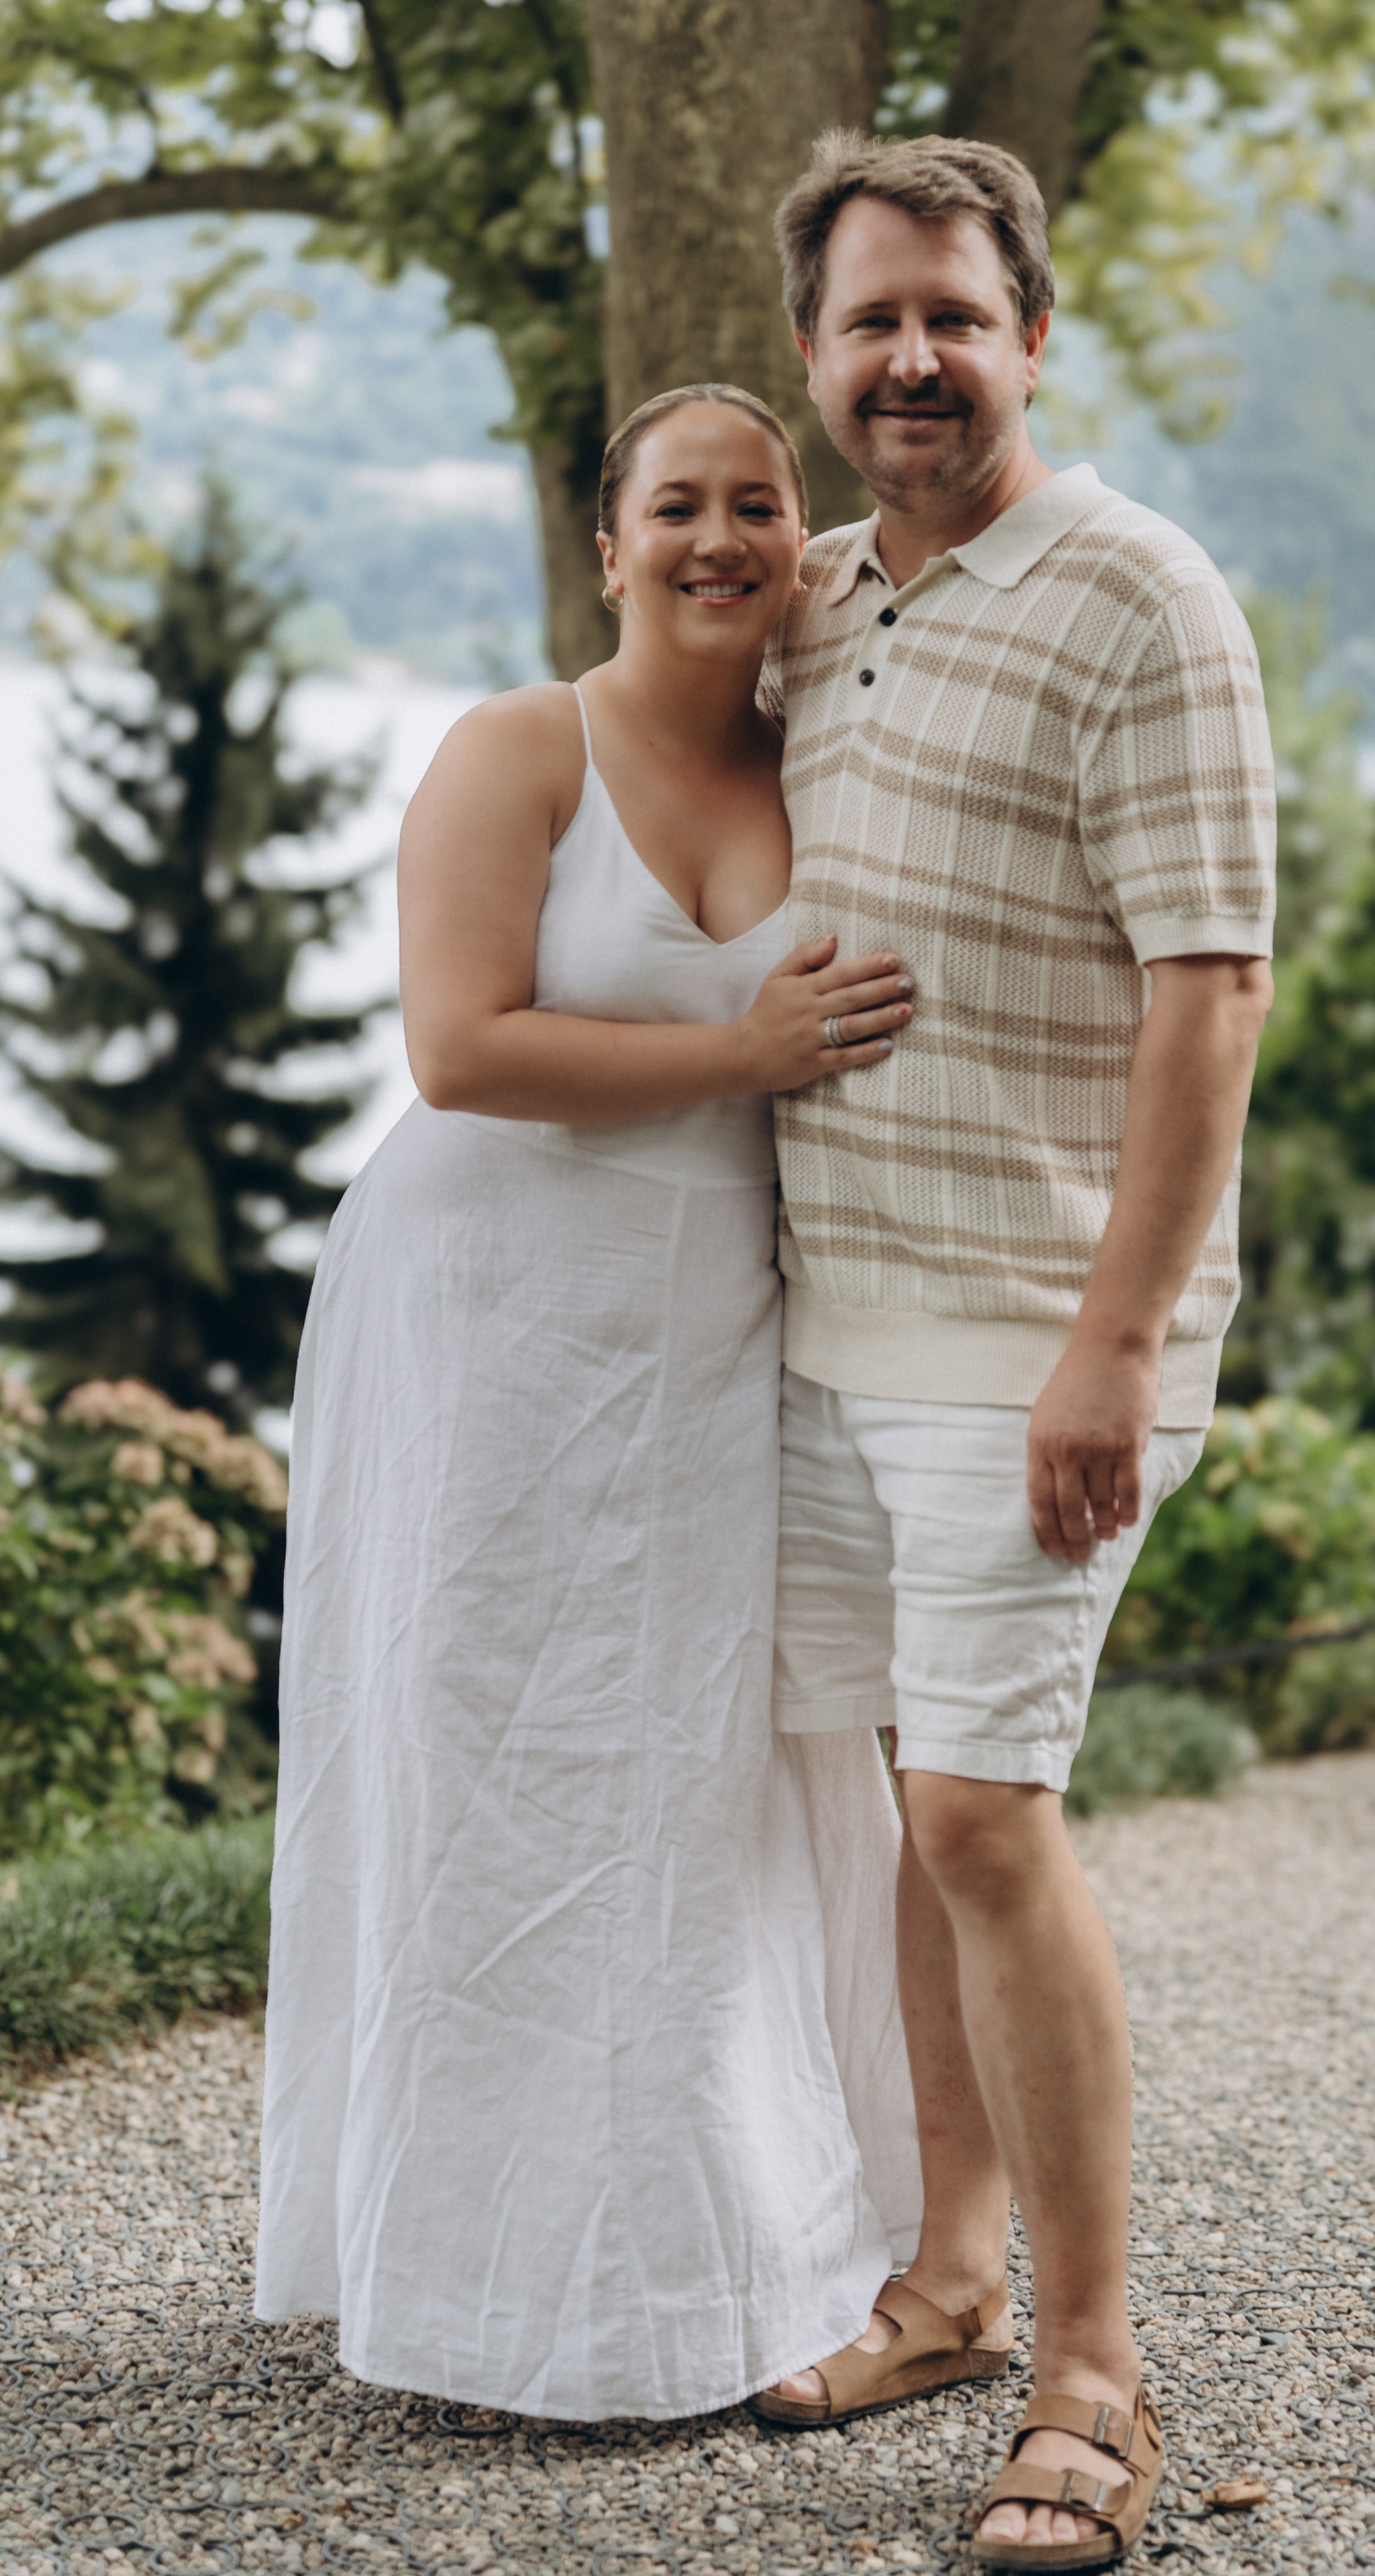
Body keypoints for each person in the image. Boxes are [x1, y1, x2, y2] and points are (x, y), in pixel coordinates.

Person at [254, 383, 924, 2424]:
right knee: (496, 1768)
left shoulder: (830, 763)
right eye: (679, 508)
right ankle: (468, 2289)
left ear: (800, 540)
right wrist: (747, 1056)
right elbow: (461, 1050)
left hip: (715, 1331)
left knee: (695, 1784)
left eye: (759, 505)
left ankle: (708, 2273)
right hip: (488, 1322)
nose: (721, 539)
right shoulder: (518, 749)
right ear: (612, 544)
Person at [749, 136, 1277, 2569]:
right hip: (826, 1316)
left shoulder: (1141, 592)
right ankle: (951, 2284)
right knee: (907, 1802)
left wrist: (1116, 1344)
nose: (914, 361)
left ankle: (1095, 2378)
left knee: (983, 1814)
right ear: (815, 354)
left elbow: (1213, 987)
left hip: (1034, 1333)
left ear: (1033, 337)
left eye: (956, 316)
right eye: (871, 321)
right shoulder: (816, 597)